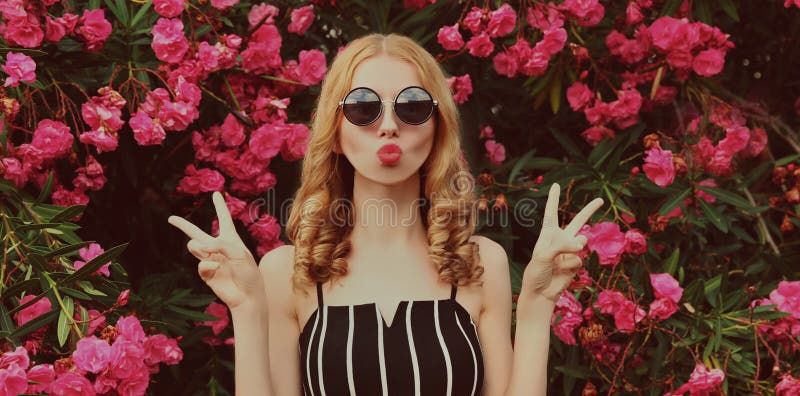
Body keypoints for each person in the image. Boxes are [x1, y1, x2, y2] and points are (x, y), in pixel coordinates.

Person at [168, 33, 603, 396]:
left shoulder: (479, 264)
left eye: (412, 106)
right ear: (335, 133)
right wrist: (246, 310)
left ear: (437, 129)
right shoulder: (288, 271)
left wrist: (537, 307)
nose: (389, 124)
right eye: (363, 106)